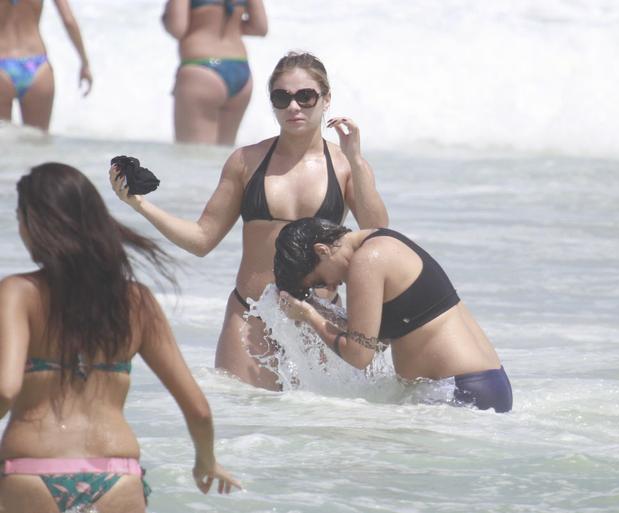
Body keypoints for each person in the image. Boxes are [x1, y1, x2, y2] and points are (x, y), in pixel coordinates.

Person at [110, 51, 389, 390]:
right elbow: (202, 239)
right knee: (242, 424)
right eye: (282, 97)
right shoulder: (246, 161)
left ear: (326, 99)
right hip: (250, 313)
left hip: (318, 317)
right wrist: (139, 205)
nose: (294, 107)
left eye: (305, 96)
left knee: (318, 432)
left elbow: (380, 238)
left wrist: (357, 161)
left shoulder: (346, 166)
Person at [0, 163, 240, 513]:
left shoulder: (19, 293)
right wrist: (206, 461)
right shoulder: (137, 301)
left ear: (33, 223)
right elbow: (198, 408)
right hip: (117, 474)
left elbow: (6, 389)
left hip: (32, 468)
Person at [273, 218, 513, 413]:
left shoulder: (367, 260)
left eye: (320, 281)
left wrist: (308, 315)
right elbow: (373, 340)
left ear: (322, 250)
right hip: (478, 385)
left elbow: (360, 354)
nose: (330, 287)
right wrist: (312, 306)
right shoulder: (381, 241)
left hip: (459, 391)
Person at [162, 0, 268, 145]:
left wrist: (200, 23)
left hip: (202, 70)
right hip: (241, 69)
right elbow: (260, 28)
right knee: (223, 155)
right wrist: (233, 25)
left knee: (193, 155)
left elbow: (177, 28)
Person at [0, 0, 92, 131]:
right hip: (37, 66)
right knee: (38, 143)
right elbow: (69, 21)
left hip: (2, 66)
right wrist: (84, 63)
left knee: (3, 144)